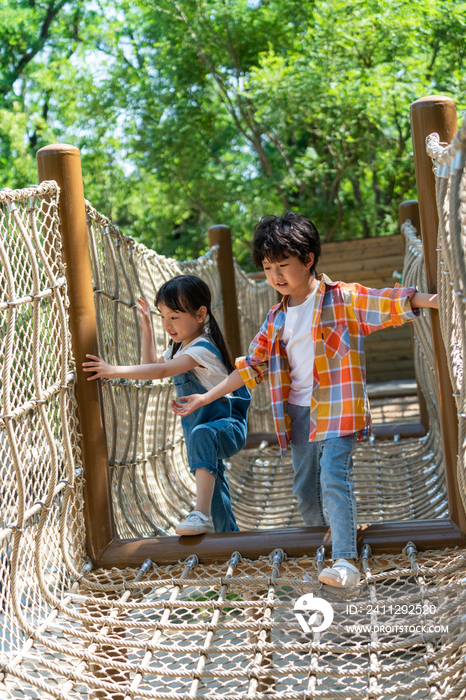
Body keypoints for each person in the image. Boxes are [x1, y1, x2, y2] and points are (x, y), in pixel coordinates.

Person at [172, 212, 438, 587]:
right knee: (305, 489)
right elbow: (250, 368)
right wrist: (205, 397)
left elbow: (387, 303)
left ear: (308, 259)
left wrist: (433, 299)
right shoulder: (275, 320)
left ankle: (345, 561)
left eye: (283, 265)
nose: (276, 275)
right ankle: (327, 544)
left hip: (338, 406)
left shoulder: (342, 299)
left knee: (334, 478)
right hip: (296, 414)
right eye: (267, 268)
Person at [83, 274, 251, 536]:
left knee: (203, 435)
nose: (167, 324)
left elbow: (159, 373)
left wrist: (111, 370)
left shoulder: (202, 347)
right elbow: (152, 363)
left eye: (174, 316)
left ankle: (200, 515)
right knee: (215, 486)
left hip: (227, 426)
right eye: (162, 316)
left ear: (200, 314)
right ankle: (229, 536)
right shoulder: (178, 347)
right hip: (202, 431)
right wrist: (148, 329)